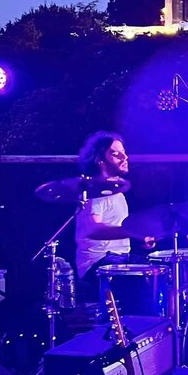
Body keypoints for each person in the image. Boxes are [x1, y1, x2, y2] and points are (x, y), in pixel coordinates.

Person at [74, 131, 154, 305]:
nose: (124, 157)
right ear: (100, 159)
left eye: (124, 152)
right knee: (141, 289)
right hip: (98, 263)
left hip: (118, 257)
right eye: (115, 153)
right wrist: (133, 232)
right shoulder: (95, 192)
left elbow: (116, 231)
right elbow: (93, 230)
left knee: (159, 271)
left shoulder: (116, 191)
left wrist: (140, 238)